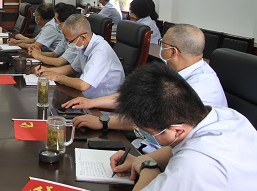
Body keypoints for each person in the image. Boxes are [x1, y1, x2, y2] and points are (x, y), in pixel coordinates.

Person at [109, 63, 257, 191]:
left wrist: (148, 166)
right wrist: (140, 159)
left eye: (146, 132)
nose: (143, 134)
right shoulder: (222, 115)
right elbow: (181, 145)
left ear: (177, 130)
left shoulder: (200, 162)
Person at [62, 24, 227, 136]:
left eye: (162, 44)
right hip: (154, 140)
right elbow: (138, 97)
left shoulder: (201, 87)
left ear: (173, 52)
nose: (160, 47)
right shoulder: (176, 71)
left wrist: (102, 122)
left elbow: (152, 119)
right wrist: (91, 102)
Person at [38, 14, 124, 98]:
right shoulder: (84, 45)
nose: (68, 44)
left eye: (69, 41)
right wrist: (47, 70)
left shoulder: (100, 51)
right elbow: (72, 69)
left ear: (83, 37)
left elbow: (83, 85)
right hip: (88, 94)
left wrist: (57, 77)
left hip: (104, 99)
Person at [28, 3, 78, 68]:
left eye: (55, 20)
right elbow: (54, 54)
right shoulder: (66, 37)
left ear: (63, 24)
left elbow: (59, 62)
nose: (53, 22)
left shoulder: (78, 41)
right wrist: (35, 52)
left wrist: (38, 56)